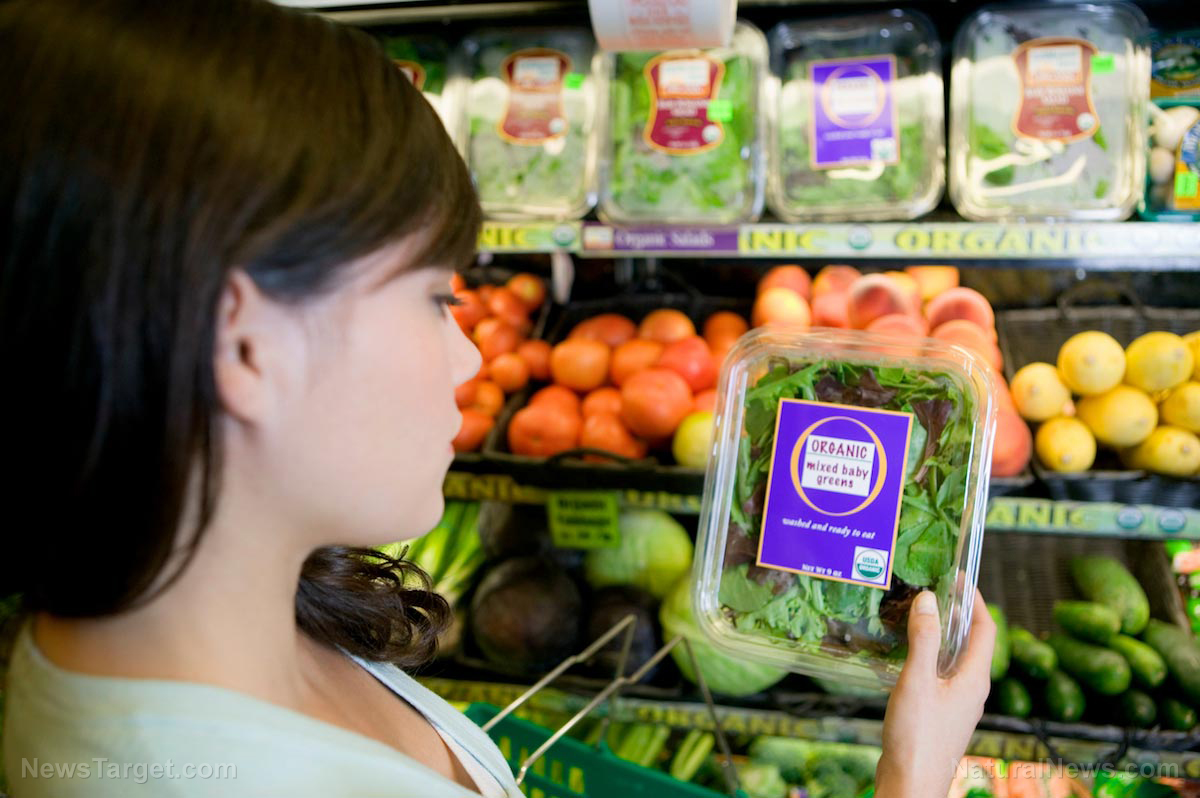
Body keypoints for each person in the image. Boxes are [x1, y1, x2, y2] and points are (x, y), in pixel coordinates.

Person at [0, 0, 995, 795]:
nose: (469, 358)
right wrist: (912, 776)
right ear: (246, 344)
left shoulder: (202, 627)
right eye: (435, 299)